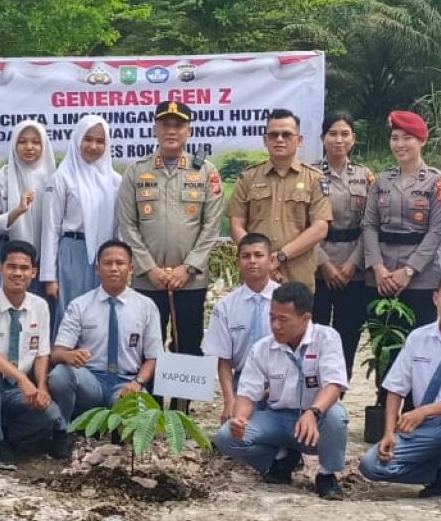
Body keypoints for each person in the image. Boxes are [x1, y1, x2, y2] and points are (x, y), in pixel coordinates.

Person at [358, 268, 441, 505]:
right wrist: (389, 431)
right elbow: (395, 388)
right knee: (370, 465)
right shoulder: (418, 338)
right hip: (423, 430)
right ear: (435, 297)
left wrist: (423, 411)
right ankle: (438, 472)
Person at [114, 101, 224, 375]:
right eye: (165, 124)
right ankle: (147, 409)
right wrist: (148, 267)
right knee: (145, 347)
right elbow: (127, 224)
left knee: (186, 346)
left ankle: (181, 412)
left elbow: (211, 226)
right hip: (147, 279)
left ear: (189, 130)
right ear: (155, 129)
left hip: (190, 279)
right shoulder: (136, 171)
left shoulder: (205, 172)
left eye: (178, 125)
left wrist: (187, 268)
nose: (171, 131)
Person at [217, 281, 350, 500]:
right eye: (272, 318)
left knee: (336, 416)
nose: (276, 325)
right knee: (226, 437)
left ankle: (327, 474)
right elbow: (247, 393)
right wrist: (239, 419)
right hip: (278, 419)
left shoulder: (326, 338)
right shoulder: (262, 348)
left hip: (316, 419)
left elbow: (334, 384)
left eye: (283, 319)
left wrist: (313, 412)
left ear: (305, 319)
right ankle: (280, 459)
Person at [0, 241, 65, 467]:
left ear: (34, 272)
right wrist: (21, 378)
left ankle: (5, 434)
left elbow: (41, 353)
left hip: (19, 391)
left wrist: (41, 386)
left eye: (24, 268)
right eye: (11, 267)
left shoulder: (39, 306)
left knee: (49, 414)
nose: (18, 273)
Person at [48, 240, 163, 425]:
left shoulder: (146, 306)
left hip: (126, 382)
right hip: (91, 381)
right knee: (59, 376)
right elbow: (56, 353)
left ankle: (115, 426)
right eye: (107, 263)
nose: (114, 269)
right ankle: (64, 428)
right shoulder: (80, 305)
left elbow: (153, 357)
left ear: (131, 268)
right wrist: (69, 356)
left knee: (138, 413)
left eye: (120, 263)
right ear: (97, 268)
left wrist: (138, 383)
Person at [361, 109, 441, 329]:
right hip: (381, 278)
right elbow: (369, 226)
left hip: (421, 278)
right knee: (382, 347)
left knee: (419, 348)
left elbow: (437, 232)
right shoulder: (381, 180)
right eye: (394, 138)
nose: (399, 144)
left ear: (422, 141)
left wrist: (409, 270)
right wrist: (378, 268)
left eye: (407, 138)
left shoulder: (436, 182)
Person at [227, 108, 332, 287]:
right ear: (265, 140)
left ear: (299, 140)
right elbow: (236, 225)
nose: (280, 139)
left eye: (287, 135)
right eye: (274, 135)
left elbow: (320, 228)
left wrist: (281, 255)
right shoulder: (248, 178)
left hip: (298, 278)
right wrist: (262, 260)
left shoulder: (315, 179)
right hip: (256, 278)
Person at [40, 114, 119, 336]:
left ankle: (95, 367)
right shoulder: (62, 178)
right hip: (71, 255)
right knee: (69, 314)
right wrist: (50, 276)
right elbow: (51, 229)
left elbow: (118, 228)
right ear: (77, 140)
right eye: (88, 139)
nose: (93, 146)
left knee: (100, 314)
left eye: (100, 141)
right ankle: (63, 368)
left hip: (103, 258)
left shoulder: (114, 182)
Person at [314, 114, 374, 375]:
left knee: (347, 335)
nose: (339, 140)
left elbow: (371, 226)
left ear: (353, 139)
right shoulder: (310, 174)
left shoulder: (365, 177)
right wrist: (324, 263)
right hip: (317, 266)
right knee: (314, 333)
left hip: (354, 270)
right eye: (333, 133)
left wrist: (352, 264)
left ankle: (337, 396)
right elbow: (302, 225)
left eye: (345, 134)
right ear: (322, 138)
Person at [204, 233, 280, 415]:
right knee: (228, 437)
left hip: (283, 380)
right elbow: (223, 359)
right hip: (244, 381)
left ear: (270, 260)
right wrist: (229, 401)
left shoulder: (288, 300)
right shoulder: (225, 306)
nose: (252, 261)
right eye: (246, 256)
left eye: (258, 255)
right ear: (238, 261)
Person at [0, 120, 54, 299]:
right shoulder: (1, 179)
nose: (29, 147)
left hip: (42, 263)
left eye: (36, 142)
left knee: (37, 318)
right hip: (6, 259)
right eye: (22, 142)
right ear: (14, 144)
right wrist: (16, 212)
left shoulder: (55, 180)